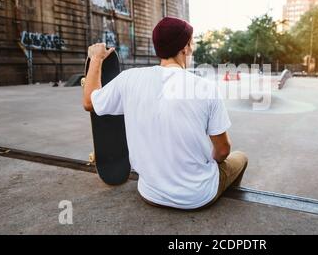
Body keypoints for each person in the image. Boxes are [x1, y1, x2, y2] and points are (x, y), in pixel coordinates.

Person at [82, 17, 248, 210]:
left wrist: (96, 59)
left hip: (150, 192)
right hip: (197, 196)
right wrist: (208, 164)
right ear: (185, 48)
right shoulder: (206, 88)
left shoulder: (129, 79)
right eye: (191, 43)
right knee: (241, 157)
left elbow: (89, 102)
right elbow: (223, 150)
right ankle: (229, 201)